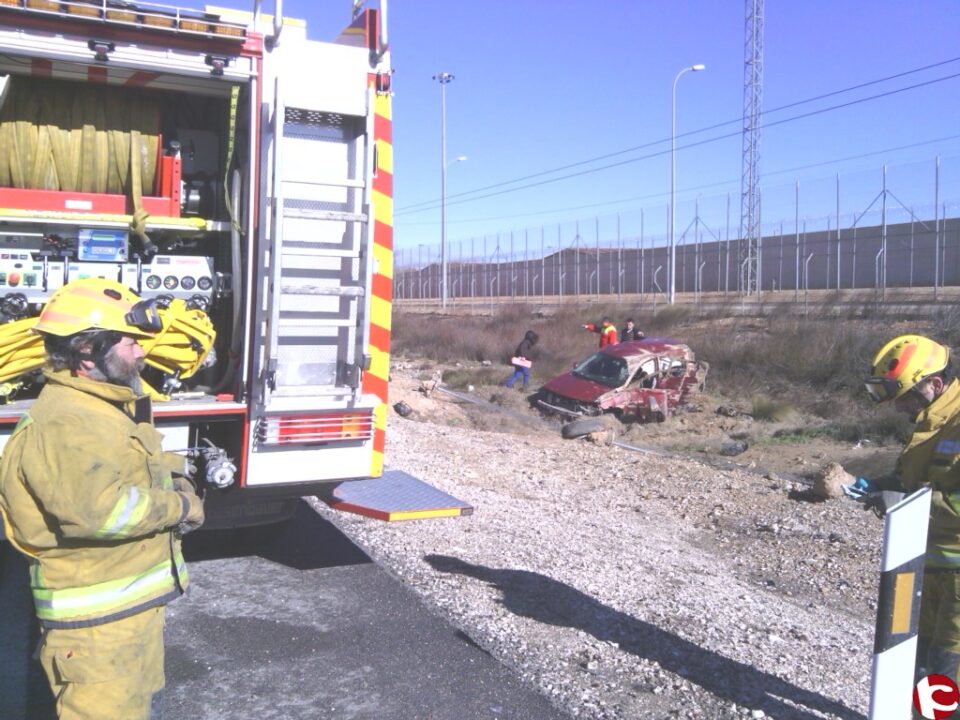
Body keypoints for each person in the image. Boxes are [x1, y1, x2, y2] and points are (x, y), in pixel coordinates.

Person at [0, 278, 204, 720]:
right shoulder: (67, 423)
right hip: (96, 636)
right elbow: (100, 512)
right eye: (130, 342)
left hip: (127, 620)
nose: (142, 351)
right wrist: (182, 508)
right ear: (87, 352)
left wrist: (173, 473)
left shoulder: (100, 406)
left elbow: (125, 462)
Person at [861, 334, 960, 682]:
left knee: (946, 670)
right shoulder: (932, 423)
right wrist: (878, 485)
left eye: (905, 398)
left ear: (935, 384)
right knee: (919, 666)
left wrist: (907, 504)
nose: (900, 408)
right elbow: (917, 481)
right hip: (930, 567)